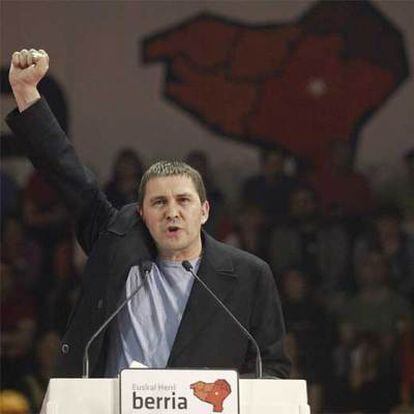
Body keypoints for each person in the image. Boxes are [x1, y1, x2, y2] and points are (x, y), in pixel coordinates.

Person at [6, 49, 290, 379]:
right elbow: (66, 173)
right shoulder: (115, 242)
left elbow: (272, 368)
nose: (172, 212)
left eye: (183, 201)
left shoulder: (249, 275)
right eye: (159, 203)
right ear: (141, 213)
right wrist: (27, 92)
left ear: (205, 211)